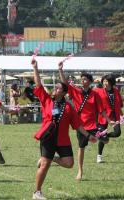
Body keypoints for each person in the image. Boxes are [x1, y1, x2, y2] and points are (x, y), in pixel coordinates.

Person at [31, 60, 97, 199]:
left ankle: (53, 158)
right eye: (55, 87)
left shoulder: (69, 107)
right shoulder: (47, 100)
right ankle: (37, 192)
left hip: (62, 140)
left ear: (64, 92)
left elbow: (78, 125)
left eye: (58, 88)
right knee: (44, 165)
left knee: (69, 163)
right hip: (48, 137)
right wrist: (35, 68)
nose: (55, 89)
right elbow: (38, 84)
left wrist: (88, 136)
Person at [58, 63, 109, 181]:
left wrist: (110, 121)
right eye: (81, 79)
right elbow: (65, 83)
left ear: (90, 81)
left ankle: (97, 141)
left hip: (93, 125)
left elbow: (101, 110)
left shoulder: (95, 94)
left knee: (106, 140)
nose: (83, 81)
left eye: (85, 79)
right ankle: (80, 171)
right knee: (81, 148)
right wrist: (61, 70)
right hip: (80, 125)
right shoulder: (76, 91)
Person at [94, 74, 123, 163]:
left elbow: (119, 103)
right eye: (104, 81)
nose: (105, 83)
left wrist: (121, 113)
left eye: (107, 81)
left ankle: (103, 135)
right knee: (103, 138)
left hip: (114, 116)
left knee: (117, 133)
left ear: (111, 82)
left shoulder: (116, 91)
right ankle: (99, 156)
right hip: (103, 116)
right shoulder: (98, 91)